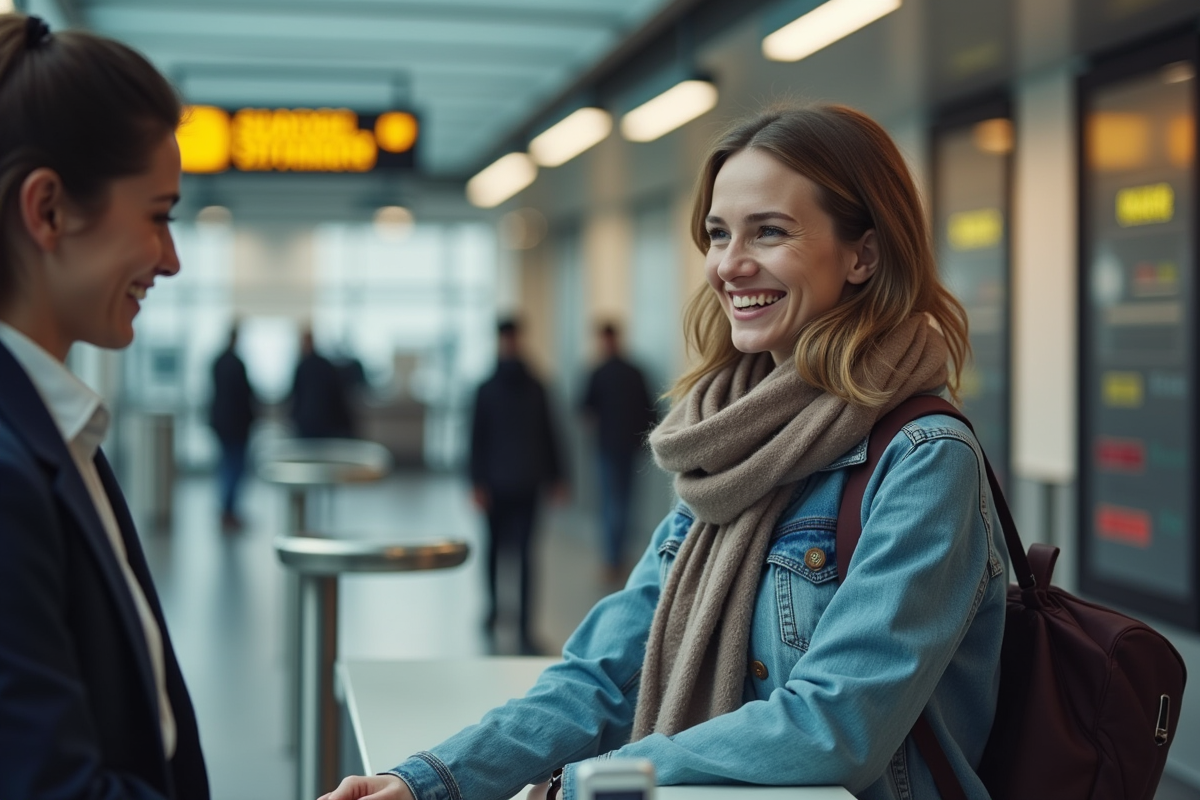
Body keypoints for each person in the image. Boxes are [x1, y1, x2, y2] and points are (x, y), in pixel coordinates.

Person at [323, 105, 1006, 800]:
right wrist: (429, 782)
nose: (729, 266)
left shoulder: (923, 459)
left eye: (768, 232)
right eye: (717, 235)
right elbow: (604, 675)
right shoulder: (729, 445)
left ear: (863, 253)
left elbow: (835, 727)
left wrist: (592, 783)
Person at [0, 14, 209, 800]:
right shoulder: (9, 473)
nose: (171, 259)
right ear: (48, 209)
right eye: (158, 215)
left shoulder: (55, 435)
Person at [469, 318, 567, 655]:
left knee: (526, 556)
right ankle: (494, 607)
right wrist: (476, 482)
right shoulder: (485, 389)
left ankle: (525, 626)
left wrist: (558, 476)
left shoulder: (537, 387)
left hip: (528, 483)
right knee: (494, 551)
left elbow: (550, 433)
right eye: (504, 339)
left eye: (512, 338)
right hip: (495, 486)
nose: (509, 345)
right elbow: (476, 439)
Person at [580, 322, 656, 585]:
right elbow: (650, 411)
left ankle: (613, 559)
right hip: (629, 448)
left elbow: (585, 411)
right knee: (622, 503)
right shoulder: (634, 372)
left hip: (609, 448)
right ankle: (618, 557)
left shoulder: (598, 372)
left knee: (612, 504)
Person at [209, 323, 258, 531]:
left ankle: (227, 509)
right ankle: (229, 511)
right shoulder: (236, 364)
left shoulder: (218, 361)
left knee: (226, 466)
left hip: (221, 422)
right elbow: (244, 396)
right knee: (234, 468)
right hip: (236, 425)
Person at [289, 327, 354, 439]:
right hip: (324, 421)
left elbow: (296, 395)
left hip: (310, 422)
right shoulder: (324, 364)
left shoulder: (304, 366)